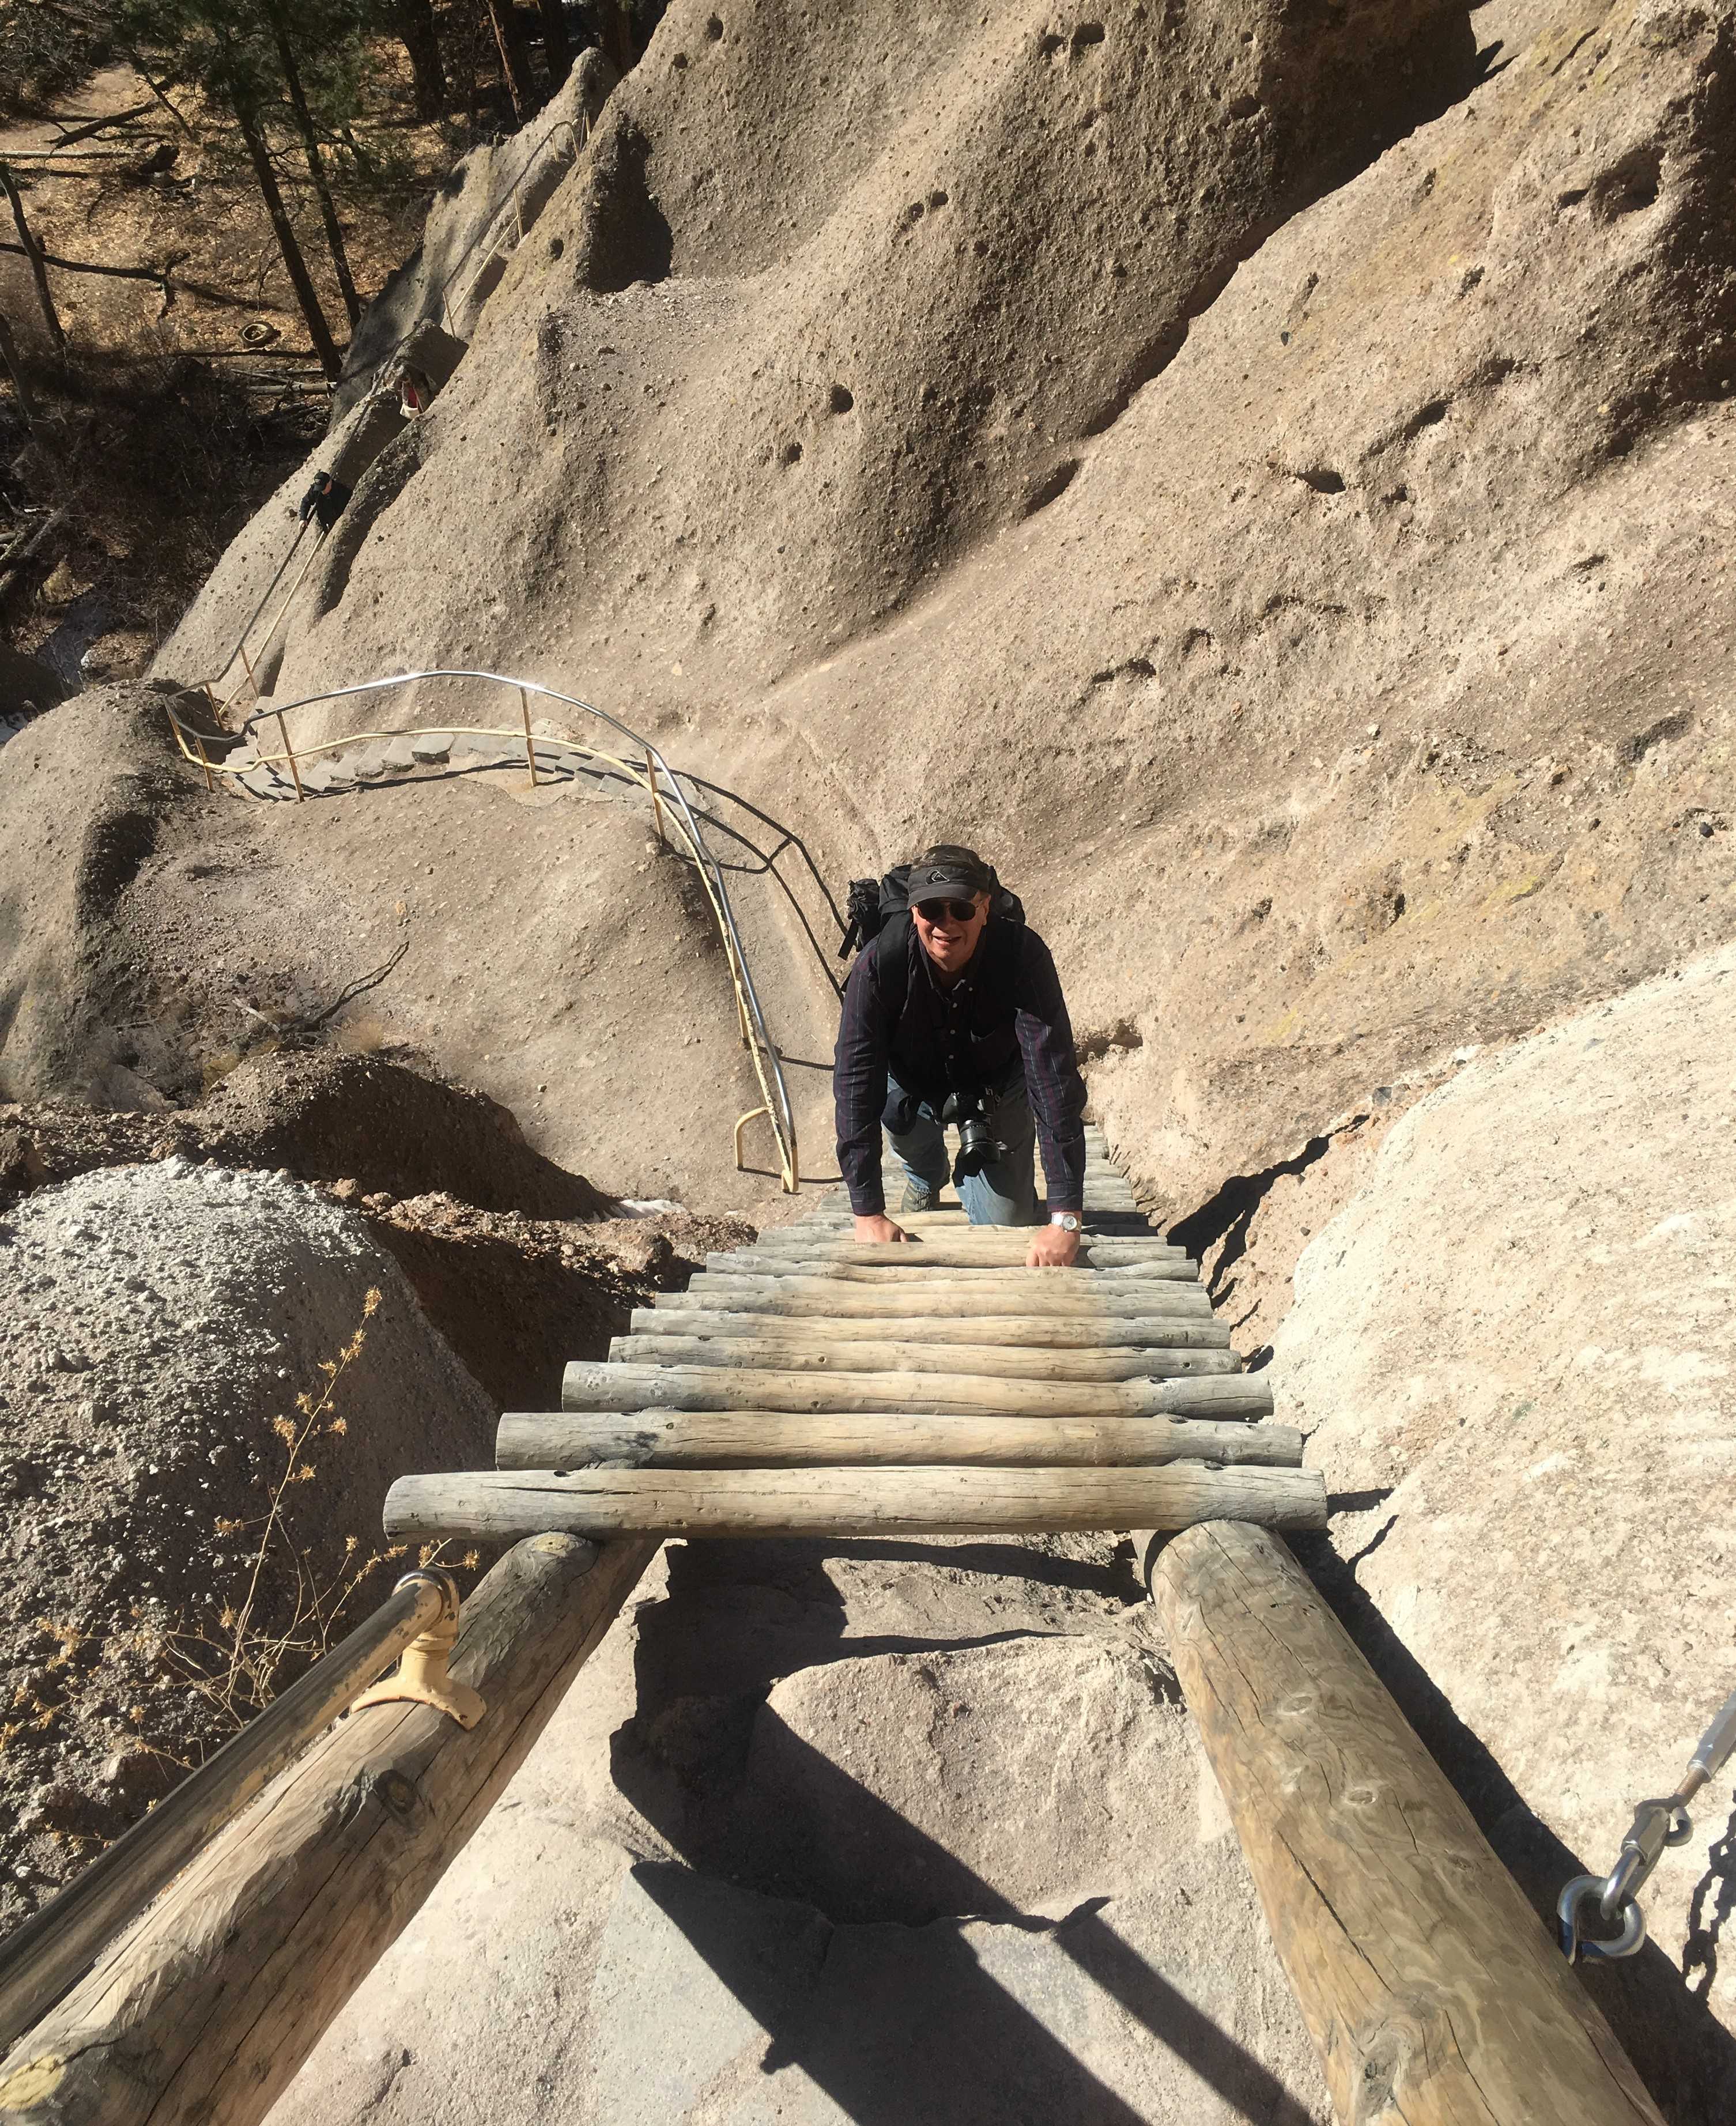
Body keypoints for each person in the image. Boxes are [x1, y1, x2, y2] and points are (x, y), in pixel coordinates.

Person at [833, 843, 1088, 1268]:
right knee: (905, 1133)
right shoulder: (880, 964)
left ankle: (983, 1177)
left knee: (1009, 1225)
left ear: (985, 908)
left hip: (996, 1084)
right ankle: (925, 1177)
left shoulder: (1022, 957)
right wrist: (868, 1212)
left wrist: (1065, 1218)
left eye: (962, 910)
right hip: (911, 1083)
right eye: (932, 910)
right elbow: (855, 1083)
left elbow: (1053, 1080)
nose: (945, 924)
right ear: (914, 913)